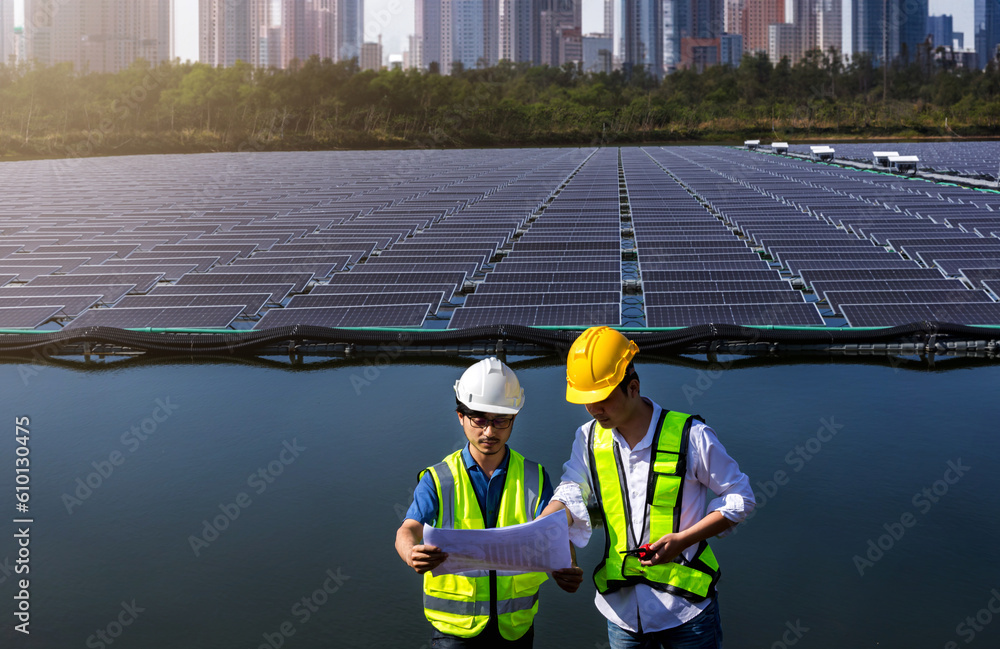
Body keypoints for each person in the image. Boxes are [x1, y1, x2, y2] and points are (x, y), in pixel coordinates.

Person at [540, 326, 755, 649]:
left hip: (687, 612)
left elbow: (741, 499)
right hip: (622, 614)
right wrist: (546, 530)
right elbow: (572, 491)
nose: (595, 410)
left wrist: (684, 539)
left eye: (603, 399)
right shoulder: (588, 438)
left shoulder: (690, 436)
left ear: (633, 388)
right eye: (588, 401)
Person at [395, 357, 582, 648]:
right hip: (454, 631)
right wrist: (410, 554)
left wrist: (568, 565)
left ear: (514, 419)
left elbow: (554, 532)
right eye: (479, 419)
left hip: (515, 628)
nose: (489, 432)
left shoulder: (535, 475)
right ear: (460, 416)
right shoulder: (438, 478)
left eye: (500, 421)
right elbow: (407, 529)